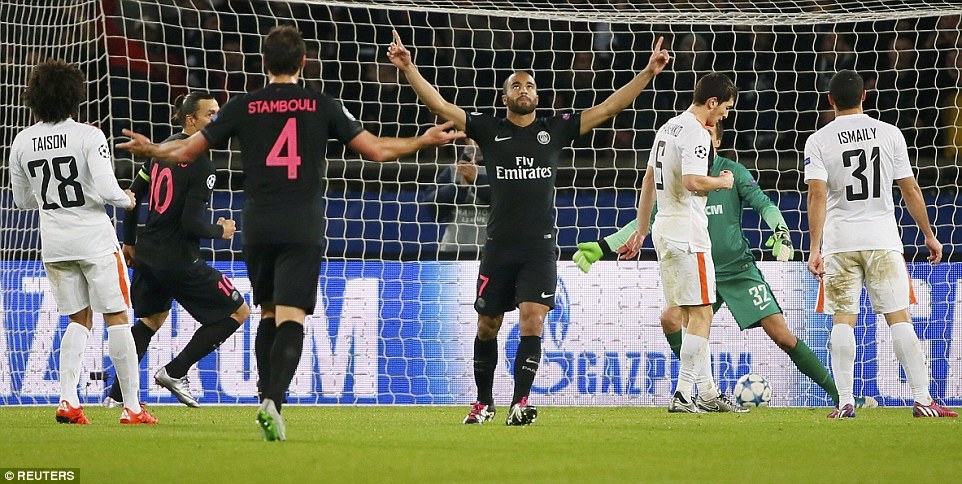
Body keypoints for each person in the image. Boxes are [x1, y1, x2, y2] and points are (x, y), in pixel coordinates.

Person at [117, 25, 464, 441]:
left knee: (265, 313)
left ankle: (265, 395)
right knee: (291, 316)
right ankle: (272, 402)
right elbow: (375, 151)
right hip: (301, 224)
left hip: (258, 225)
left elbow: (187, 150)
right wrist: (423, 140)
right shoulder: (321, 104)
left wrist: (152, 149)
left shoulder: (244, 105)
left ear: (263, 63)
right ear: (303, 62)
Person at [388, 30, 671, 425]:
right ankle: (483, 402)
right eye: (516, 86)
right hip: (498, 246)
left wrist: (647, 72)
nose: (524, 89)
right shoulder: (487, 129)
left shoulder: (556, 129)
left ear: (538, 96)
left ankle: (520, 402)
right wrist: (409, 67)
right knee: (488, 325)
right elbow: (439, 104)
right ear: (505, 98)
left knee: (533, 317)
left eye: (530, 86)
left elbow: (608, 109)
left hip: (539, 247)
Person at [574, 120, 845, 412]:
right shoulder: (682, 175)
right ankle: (706, 392)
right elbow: (647, 218)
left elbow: (765, 204)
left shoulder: (732, 172)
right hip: (700, 268)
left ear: (715, 142)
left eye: (707, 136)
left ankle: (839, 395)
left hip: (738, 271)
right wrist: (604, 246)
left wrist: (780, 231)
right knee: (671, 320)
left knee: (783, 336)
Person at [8, 59, 157, 425]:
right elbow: (108, 190)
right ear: (75, 95)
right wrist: (127, 199)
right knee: (118, 318)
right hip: (93, 240)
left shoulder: (22, 141)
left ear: (34, 99)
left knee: (78, 319)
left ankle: (68, 401)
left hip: (55, 244)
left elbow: (22, 201)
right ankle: (133, 408)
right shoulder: (89, 135)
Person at [805, 69, 957, 419]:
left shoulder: (819, 140)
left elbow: (815, 194)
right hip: (882, 240)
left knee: (843, 320)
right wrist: (929, 235)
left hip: (840, 243)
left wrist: (815, 248)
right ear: (865, 97)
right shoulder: (889, 134)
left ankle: (844, 401)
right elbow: (910, 189)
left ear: (830, 101)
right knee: (899, 318)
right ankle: (922, 399)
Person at [103, 92, 250, 409]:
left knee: (149, 322)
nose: (217, 119)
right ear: (190, 120)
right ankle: (175, 370)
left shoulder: (162, 149)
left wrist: (128, 240)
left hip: (148, 256)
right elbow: (192, 223)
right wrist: (220, 231)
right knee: (239, 312)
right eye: (210, 114)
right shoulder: (203, 165)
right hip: (180, 261)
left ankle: (114, 398)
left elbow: (132, 195)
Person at [622, 72, 736, 413]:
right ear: (712, 103)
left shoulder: (667, 127)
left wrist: (641, 231)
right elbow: (691, 181)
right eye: (726, 108)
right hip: (688, 232)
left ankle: (709, 393)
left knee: (689, 314)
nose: (725, 116)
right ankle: (684, 394)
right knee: (702, 312)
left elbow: (648, 180)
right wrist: (722, 181)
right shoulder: (697, 133)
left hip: (663, 230)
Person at [418, 141, 490, 254]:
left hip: (493, 253)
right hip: (453, 251)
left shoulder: (503, 169)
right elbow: (431, 208)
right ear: (465, 140)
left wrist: (477, 181)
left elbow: (512, 204)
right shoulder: (453, 170)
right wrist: (460, 187)